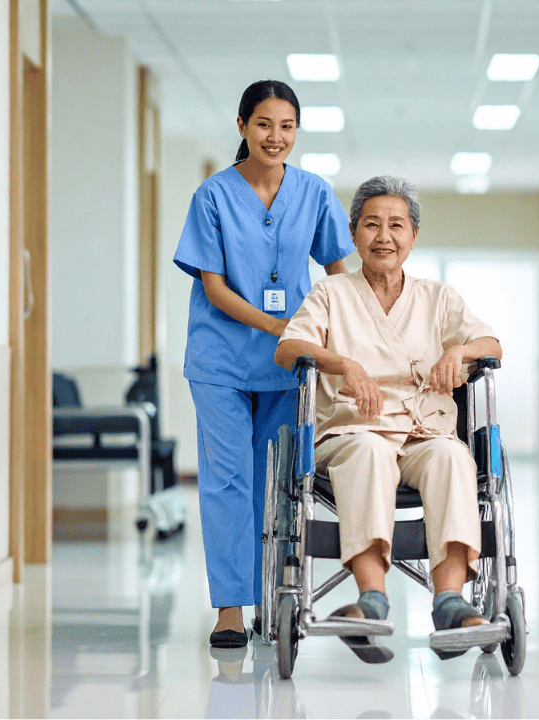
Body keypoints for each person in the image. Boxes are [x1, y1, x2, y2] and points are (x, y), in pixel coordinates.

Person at [275, 175, 502, 664]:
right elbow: (289, 348)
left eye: (396, 225)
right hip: (355, 429)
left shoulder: (439, 298)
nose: (384, 236)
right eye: (372, 224)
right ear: (354, 233)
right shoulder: (331, 293)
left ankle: (450, 602)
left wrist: (458, 350)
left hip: (423, 432)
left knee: (452, 457)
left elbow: (492, 346)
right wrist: (343, 364)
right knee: (370, 451)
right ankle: (371, 600)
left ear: (413, 236)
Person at [173, 80, 356, 649]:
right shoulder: (212, 197)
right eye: (263, 125)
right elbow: (215, 286)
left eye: (286, 127)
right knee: (228, 480)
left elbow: (337, 272)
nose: (275, 137)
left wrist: (361, 328)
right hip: (221, 360)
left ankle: (273, 599)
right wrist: (280, 326)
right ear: (242, 127)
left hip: (286, 366)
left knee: (277, 485)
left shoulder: (314, 193)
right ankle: (230, 609)